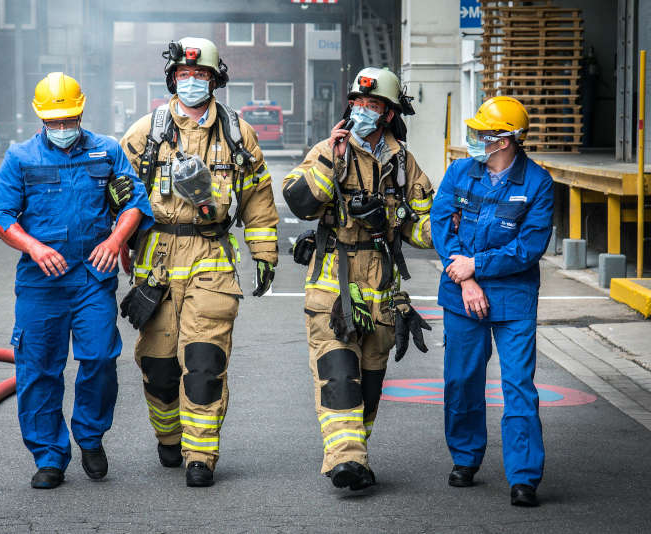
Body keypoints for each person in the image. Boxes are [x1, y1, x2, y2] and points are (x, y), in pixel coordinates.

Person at [119, 37, 279, 487]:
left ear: (215, 80)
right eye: (185, 76)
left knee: (204, 363)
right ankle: (169, 437)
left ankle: (200, 457)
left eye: (201, 76)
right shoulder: (145, 133)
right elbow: (116, 192)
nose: (193, 83)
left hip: (212, 258)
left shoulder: (237, 134)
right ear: (173, 79)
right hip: (158, 260)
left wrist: (264, 253)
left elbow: (258, 200)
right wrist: (114, 243)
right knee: (159, 366)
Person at [0, 72, 154, 489]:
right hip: (40, 284)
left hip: (92, 278)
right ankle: (49, 457)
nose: (62, 129)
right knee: (39, 369)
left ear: (81, 112)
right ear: (40, 117)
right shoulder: (21, 158)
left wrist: (117, 239)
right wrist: (33, 247)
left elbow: (134, 202)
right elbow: (1, 218)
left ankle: (90, 436)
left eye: (69, 120)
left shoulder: (106, 151)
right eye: (54, 122)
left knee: (99, 357)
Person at [282, 67, 433, 490]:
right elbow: (302, 202)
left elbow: (421, 230)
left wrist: (410, 219)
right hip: (332, 281)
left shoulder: (402, 163)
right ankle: (345, 460)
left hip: (381, 291)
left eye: (373, 105)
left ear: (388, 113)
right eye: (358, 104)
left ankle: (354, 455)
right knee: (338, 373)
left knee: (368, 384)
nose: (363, 111)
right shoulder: (329, 149)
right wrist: (333, 155)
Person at [430, 96, 554, 507]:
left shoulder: (537, 184)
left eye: (482, 132)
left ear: (503, 141)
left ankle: (523, 476)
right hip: (461, 293)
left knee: (518, 385)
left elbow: (529, 247)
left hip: (513, 297)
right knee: (462, 380)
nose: (475, 138)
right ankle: (465, 458)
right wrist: (465, 279)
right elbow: (441, 226)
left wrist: (475, 267)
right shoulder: (460, 172)